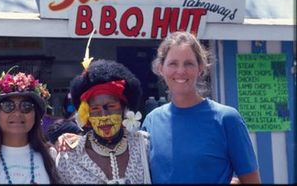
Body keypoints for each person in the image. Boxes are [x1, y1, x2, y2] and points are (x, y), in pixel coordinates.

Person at [142, 31, 261, 184]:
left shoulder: (227, 119)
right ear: (161, 68)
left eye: (188, 63)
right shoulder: (152, 121)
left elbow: (251, 180)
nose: (181, 71)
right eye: (173, 63)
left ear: (201, 68)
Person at [56, 59, 151, 184]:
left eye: (111, 106)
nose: (104, 116)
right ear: (87, 114)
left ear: (124, 109)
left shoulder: (143, 146)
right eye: (95, 109)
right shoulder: (69, 156)